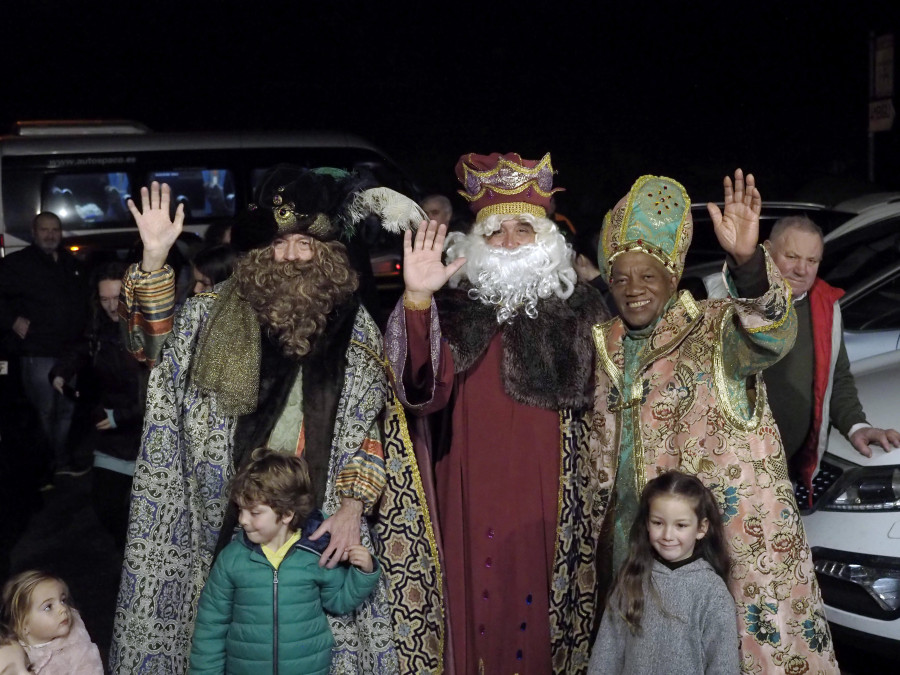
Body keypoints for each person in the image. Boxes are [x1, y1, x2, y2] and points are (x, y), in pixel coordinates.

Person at [110, 170, 441, 675]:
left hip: (319, 519)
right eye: (278, 243)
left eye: (304, 244)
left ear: (328, 252)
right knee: (223, 642)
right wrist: (154, 260)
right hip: (220, 522)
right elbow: (150, 350)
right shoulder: (211, 313)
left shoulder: (355, 329)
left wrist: (353, 508)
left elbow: (371, 430)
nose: (288, 257)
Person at [589, 171, 838, 673]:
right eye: (620, 277)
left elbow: (771, 333)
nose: (633, 289)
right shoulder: (603, 344)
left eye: (647, 275)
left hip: (722, 556)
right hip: (634, 552)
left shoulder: (714, 328)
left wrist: (747, 264)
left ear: (672, 276)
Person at [386, 152, 610, 674]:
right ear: (475, 244)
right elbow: (420, 390)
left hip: (549, 499)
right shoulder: (453, 310)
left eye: (523, 229)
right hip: (469, 488)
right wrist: (417, 300)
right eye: (496, 232)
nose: (509, 243)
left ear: (547, 241)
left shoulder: (584, 314)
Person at [189, 448, 381, 674]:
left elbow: (338, 601)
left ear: (287, 514)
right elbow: (210, 628)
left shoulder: (314, 552)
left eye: (255, 512)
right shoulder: (231, 560)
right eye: (241, 509)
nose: (243, 520)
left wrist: (364, 571)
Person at [760, 216, 900, 494]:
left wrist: (855, 425)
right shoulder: (733, 300)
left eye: (812, 261)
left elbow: (837, 378)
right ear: (766, 251)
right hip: (728, 469)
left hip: (786, 477)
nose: (802, 269)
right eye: (791, 256)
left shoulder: (825, 306)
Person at [588, 471, 738, 674]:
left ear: (701, 528)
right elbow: (605, 656)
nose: (668, 535)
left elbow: (724, 667)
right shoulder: (631, 578)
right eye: (658, 523)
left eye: (681, 525)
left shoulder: (713, 592)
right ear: (647, 524)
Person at [49, 262, 148, 549]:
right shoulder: (99, 326)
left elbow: (157, 392)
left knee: (145, 513)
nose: (110, 305)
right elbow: (81, 348)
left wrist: (123, 417)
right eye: (104, 299)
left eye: (116, 298)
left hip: (146, 433)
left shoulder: (149, 332)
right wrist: (60, 372)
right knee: (106, 506)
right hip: (112, 435)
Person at [0, 212, 88, 479]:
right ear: (34, 232)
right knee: (44, 412)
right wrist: (11, 321)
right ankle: (43, 468)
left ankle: (59, 461)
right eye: (45, 229)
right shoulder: (18, 263)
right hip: (38, 352)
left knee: (66, 410)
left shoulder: (70, 263)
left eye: (55, 229)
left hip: (70, 353)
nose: (50, 235)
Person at [0, 570, 103, 675]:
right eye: (48, 607)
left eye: (63, 600)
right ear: (23, 625)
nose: (63, 608)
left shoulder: (78, 647)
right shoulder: (11, 649)